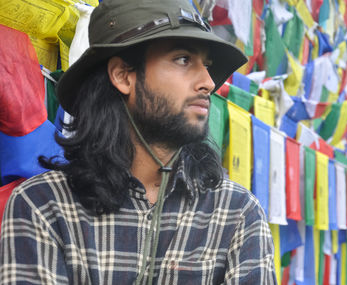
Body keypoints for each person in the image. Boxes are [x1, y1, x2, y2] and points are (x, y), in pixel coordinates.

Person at [0, 0, 277, 284]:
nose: (207, 81)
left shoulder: (236, 212)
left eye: (206, 65)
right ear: (123, 75)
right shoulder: (43, 204)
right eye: (183, 59)